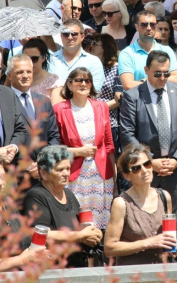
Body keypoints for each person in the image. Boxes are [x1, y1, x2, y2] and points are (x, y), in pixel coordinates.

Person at [119, 51, 177, 244]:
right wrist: (150, 161)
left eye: (166, 73)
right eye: (157, 73)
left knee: (175, 207)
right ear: (146, 70)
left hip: (174, 165)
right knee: (145, 207)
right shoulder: (133, 96)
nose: (162, 78)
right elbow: (127, 133)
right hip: (145, 165)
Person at [53, 68, 116, 231]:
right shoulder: (59, 109)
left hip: (100, 175)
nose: (83, 84)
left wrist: (113, 177)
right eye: (78, 80)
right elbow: (54, 146)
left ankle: (98, 257)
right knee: (76, 222)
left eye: (87, 81)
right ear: (70, 85)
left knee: (101, 225)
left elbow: (109, 145)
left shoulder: (101, 107)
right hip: (74, 175)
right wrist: (78, 152)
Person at [22, 146, 104, 267]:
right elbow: (41, 234)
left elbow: (81, 227)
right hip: (51, 268)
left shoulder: (69, 194)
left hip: (76, 265)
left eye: (67, 168)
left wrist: (94, 234)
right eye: (60, 170)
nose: (66, 173)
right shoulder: (36, 195)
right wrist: (81, 236)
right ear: (43, 173)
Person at [104, 143, 177, 264]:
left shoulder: (164, 196)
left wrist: (173, 246)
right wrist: (147, 243)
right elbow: (109, 248)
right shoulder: (121, 203)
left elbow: (168, 235)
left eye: (147, 164)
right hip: (134, 274)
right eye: (136, 168)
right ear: (127, 176)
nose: (144, 171)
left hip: (162, 272)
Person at [7, 54, 60, 166]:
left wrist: (44, 162)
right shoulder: (3, 101)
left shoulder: (44, 101)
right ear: (9, 75)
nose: (25, 76)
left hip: (43, 168)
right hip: (17, 170)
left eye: (28, 72)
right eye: (20, 72)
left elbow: (53, 136)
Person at [118, 11, 177, 90]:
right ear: (137, 27)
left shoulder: (167, 50)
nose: (148, 28)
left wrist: (146, 82)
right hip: (138, 100)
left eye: (152, 24)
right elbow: (128, 85)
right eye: (144, 25)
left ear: (156, 27)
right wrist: (158, 82)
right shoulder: (127, 53)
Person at [89, 34, 123, 155]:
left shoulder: (117, 68)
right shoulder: (89, 67)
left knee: (109, 157)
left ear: (106, 47)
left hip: (109, 120)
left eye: (96, 43)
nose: (91, 45)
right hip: (88, 119)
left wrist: (97, 109)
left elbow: (119, 100)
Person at [52, 19, 105, 91]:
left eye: (74, 34)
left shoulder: (93, 62)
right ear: (61, 36)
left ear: (82, 37)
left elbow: (94, 91)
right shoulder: (50, 60)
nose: (70, 37)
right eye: (66, 34)